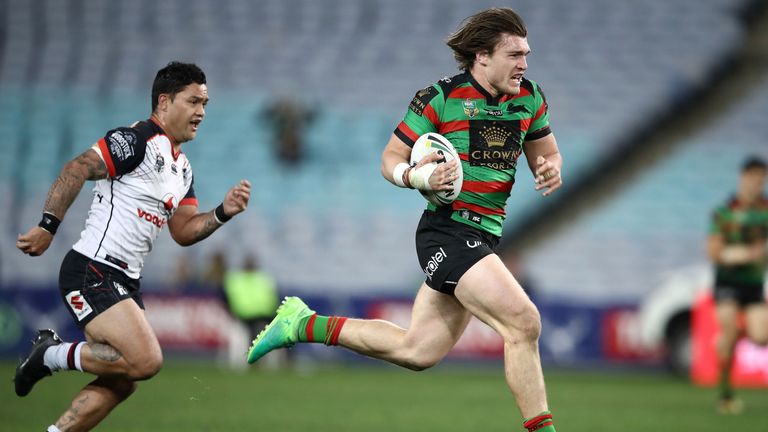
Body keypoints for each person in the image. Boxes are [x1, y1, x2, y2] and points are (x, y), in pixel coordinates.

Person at [247, 8, 562, 432]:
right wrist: (419, 175)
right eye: (514, 54)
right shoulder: (439, 98)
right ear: (481, 56)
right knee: (524, 323)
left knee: (418, 351)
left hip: (483, 236)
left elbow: (547, 152)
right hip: (447, 231)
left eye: (527, 54)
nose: (524, 63)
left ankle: (303, 323)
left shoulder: (530, 97)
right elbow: (389, 160)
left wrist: (550, 167)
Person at [14, 61, 251, 432]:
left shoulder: (183, 169)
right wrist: (48, 225)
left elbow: (183, 231)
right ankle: (50, 355)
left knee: (123, 380)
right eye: (193, 102)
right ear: (164, 101)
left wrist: (222, 212)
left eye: (205, 103)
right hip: (92, 268)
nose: (201, 113)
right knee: (146, 361)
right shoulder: (135, 140)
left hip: (124, 279)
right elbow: (78, 167)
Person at [706, 156, 768, 414]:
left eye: (761, 179)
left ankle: (731, 336)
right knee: (729, 334)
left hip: (753, 284)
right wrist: (742, 254)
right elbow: (714, 251)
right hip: (727, 283)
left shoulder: (765, 211)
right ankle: (726, 395)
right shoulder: (725, 211)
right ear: (743, 178)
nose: (757, 183)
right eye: (753, 177)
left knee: (760, 337)